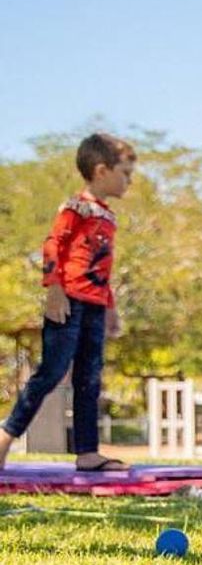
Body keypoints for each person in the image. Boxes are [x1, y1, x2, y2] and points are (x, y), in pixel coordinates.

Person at [0, 133, 135, 472]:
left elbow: (102, 267)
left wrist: (110, 307)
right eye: (125, 173)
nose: (129, 181)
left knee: (90, 377)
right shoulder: (75, 207)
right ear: (102, 170)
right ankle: (5, 434)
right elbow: (52, 245)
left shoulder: (108, 215)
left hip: (93, 305)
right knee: (53, 371)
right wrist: (54, 288)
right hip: (68, 301)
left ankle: (87, 452)